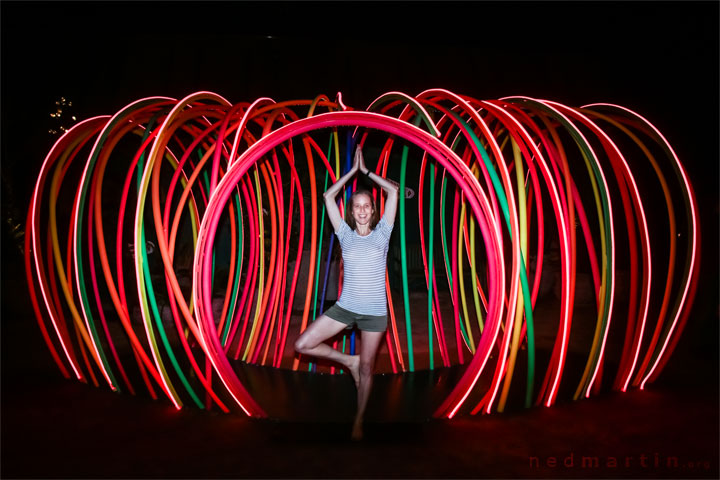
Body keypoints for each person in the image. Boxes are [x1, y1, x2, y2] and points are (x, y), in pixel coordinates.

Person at [294, 146, 399, 440]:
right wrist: (351, 173)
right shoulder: (344, 234)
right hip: (346, 307)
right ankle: (346, 361)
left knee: (367, 368)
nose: (363, 210)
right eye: (357, 206)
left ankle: (359, 420)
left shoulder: (383, 233)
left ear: (372, 210)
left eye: (367, 205)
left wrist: (366, 172)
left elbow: (391, 192)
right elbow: (328, 197)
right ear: (351, 212)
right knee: (303, 344)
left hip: (375, 313)